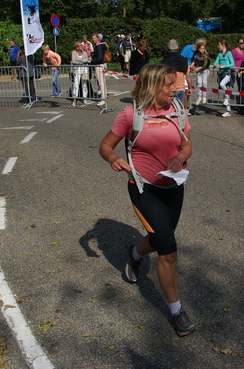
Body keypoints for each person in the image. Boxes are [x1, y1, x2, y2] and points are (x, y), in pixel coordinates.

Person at [99, 63, 195, 337]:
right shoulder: (131, 115)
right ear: (152, 86)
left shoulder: (178, 111)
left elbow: (187, 144)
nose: (175, 89)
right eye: (168, 85)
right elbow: (105, 145)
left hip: (174, 187)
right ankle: (177, 312)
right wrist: (114, 159)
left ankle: (134, 253)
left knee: (160, 237)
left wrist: (180, 157)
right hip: (144, 190)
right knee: (169, 249)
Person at [161, 39, 191, 108]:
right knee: (179, 109)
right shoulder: (184, 60)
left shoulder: (164, 61)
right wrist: (190, 87)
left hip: (168, 90)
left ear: (168, 48)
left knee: (169, 110)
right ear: (178, 48)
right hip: (180, 89)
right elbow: (188, 76)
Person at [213, 39, 235, 117]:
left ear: (223, 45)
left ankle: (227, 97)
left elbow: (232, 63)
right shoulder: (219, 55)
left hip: (227, 74)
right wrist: (217, 65)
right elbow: (215, 63)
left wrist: (225, 66)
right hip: (221, 74)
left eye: (219, 45)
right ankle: (228, 110)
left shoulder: (229, 53)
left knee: (222, 84)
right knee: (223, 90)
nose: (218, 46)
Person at [90, 33, 107, 106]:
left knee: (101, 82)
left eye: (94, 38)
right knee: (101, 82)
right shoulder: (99, 46)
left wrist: (92, 61)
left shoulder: (99, 46)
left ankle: (103, 98)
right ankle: (104, 96)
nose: (93, 40)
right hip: (100, 65)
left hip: (99, 65)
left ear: (98, 39)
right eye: (93, 38)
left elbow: (99, 57)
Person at [192, 41, 211, 106]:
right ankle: (199, 97)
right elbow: (194, 61)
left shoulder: (206, 55)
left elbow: (205, 65)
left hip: (205, 69)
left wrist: (199, 68)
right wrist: (192, 65)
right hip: (199, 70)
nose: (202, 50)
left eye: (203, 48)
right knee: (199, 83)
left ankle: (204, 97)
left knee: (204, 83)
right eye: (201, 49)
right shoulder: (196, 55)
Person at [71, 42, 90, 106]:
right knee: (76, 85)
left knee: (84, 84)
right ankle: (74, 99)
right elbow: (74, 61)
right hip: (77, 70)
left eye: (82, 45)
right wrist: (82, 61)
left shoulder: (84, 53)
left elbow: (86, 60)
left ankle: (85, 98)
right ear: (77, 47)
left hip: (84, 70)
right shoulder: (74, 53)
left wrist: (80, 61)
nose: (82, 46)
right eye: (80, 45)